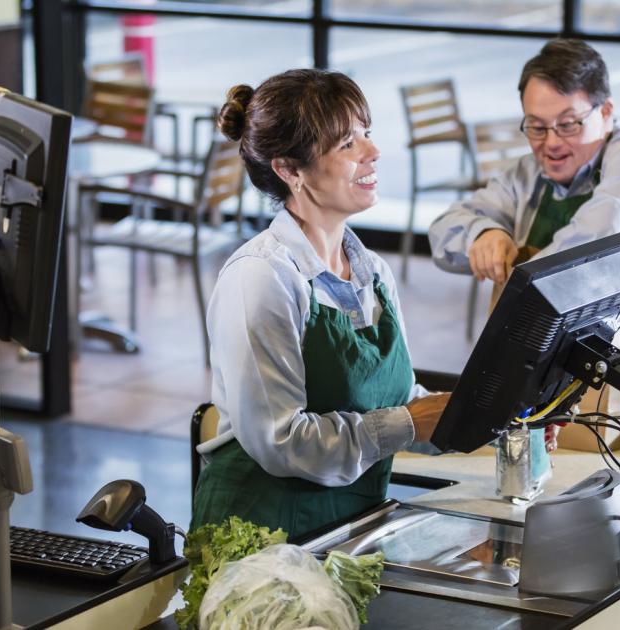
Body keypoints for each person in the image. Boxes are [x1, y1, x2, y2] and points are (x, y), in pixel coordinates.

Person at [192, 69, 449, 539]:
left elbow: (395, 403)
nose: (372, 152)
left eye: (366, 134)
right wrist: (411, 423)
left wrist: (476, 419)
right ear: (290, 170)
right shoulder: (261, 278)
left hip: (351, 530)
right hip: (263, 542)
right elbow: (283, 442)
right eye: (347, 144)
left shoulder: (373, 271)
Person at [428, 39, 620, 357]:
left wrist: (517, 300)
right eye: (536, 126)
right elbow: (443, 232)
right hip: (577, 362)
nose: (551, 143)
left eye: (567, 124)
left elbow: (595, 249)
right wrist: (482, 233)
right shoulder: (526, 175)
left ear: (605, 112)